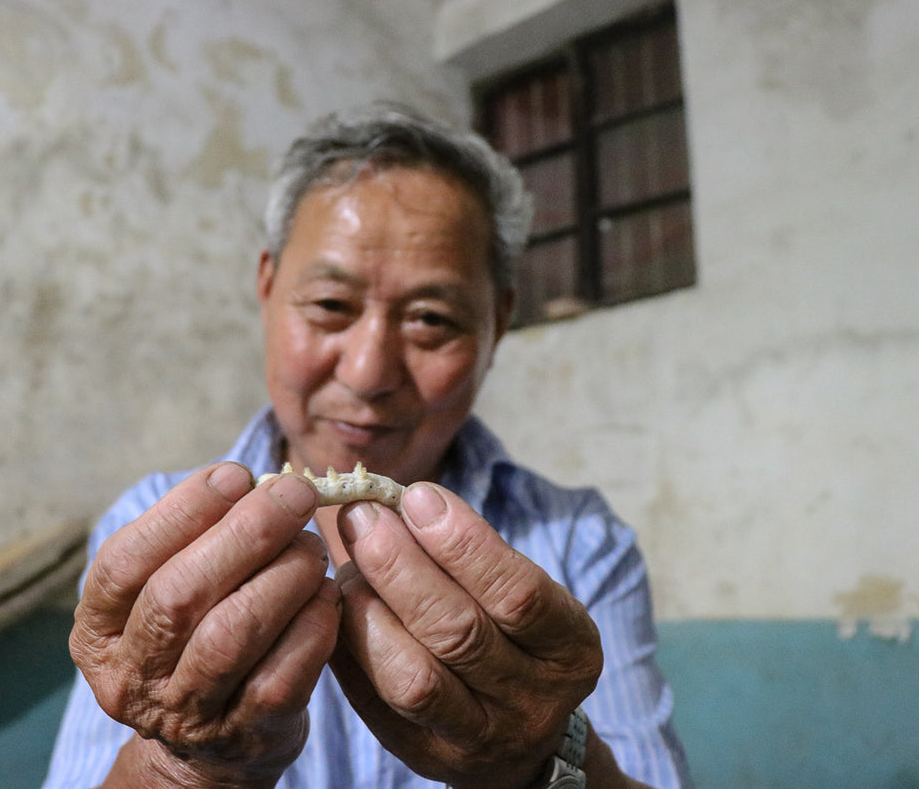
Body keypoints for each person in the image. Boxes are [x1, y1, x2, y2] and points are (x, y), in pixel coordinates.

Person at [42, 103, 693, 789]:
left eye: (431, 319)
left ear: (496, 324)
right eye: (330, 306)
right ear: (267, 287)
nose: (368, 373)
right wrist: (181, 765)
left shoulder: (580, 543)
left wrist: (542, 763)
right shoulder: (151, 523)